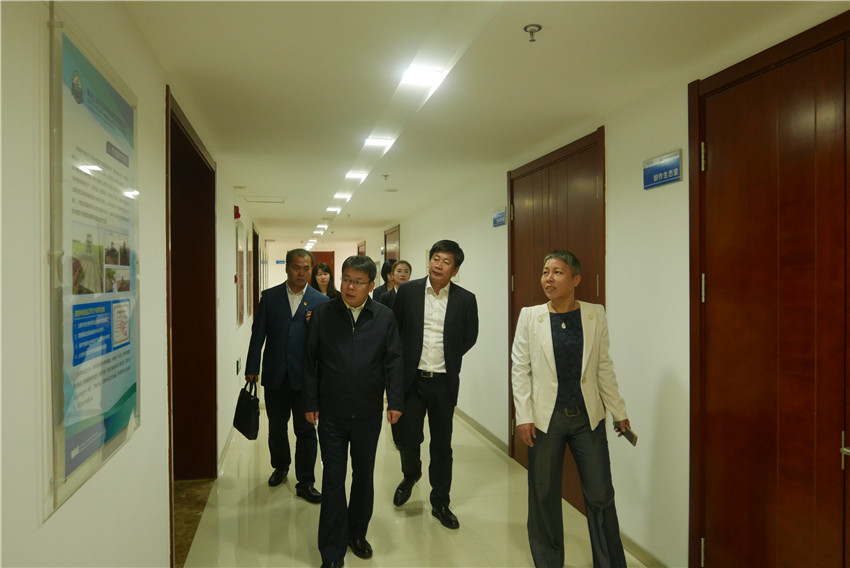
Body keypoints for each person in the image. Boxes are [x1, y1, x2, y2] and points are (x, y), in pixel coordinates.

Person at [511, 250, 631, 568]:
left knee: (601, 494)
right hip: (545, 420)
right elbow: (520, 369)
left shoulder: (594, 314)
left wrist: (619, 411)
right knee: (544, 494)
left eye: (557, 272)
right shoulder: (530, 316)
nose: (549, 278)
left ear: (576, 279)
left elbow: (603, 366)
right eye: (545, 272)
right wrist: (523, 415)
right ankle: (548, 562)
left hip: (586, 418)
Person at [303, 255, 404, 568]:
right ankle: (332, 550)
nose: (350, 286)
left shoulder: (384, 317)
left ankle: (357, 533)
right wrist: (310, 402)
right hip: (331, 414)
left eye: (358, 282)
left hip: (368, 413)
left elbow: (394, 360)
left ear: (371, 285)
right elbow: (309, 360)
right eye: (346, 279)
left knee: (363, 476)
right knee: (333, 479)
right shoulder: (323, 314)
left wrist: (395, 401)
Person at [391, 239, 478, 529]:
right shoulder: (408, 292)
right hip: (412, 381)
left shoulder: (466, 299)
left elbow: (469, 337)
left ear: (455, 270)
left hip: (443, 382)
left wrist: (448, 356)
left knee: (442, 445)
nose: (439, 265)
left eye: (446, 262)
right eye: (436, 259)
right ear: (429, 261)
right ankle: (410, 475)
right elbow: (396, 330)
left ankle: (440, 501)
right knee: (408, 438)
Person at [245, 248, 328, 502]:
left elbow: (328, 343)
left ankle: (306, 481)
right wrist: (252, 367)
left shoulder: (321, 302)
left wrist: (316, 325)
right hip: (275, 374)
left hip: (306, 379)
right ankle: (280, 466)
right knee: (277, 427)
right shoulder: (270, 297)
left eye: (306, 268)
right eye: (296, 267)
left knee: (306, 431)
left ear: (311, 270)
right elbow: (258, 334)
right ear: (287, 268)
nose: (301, 273)